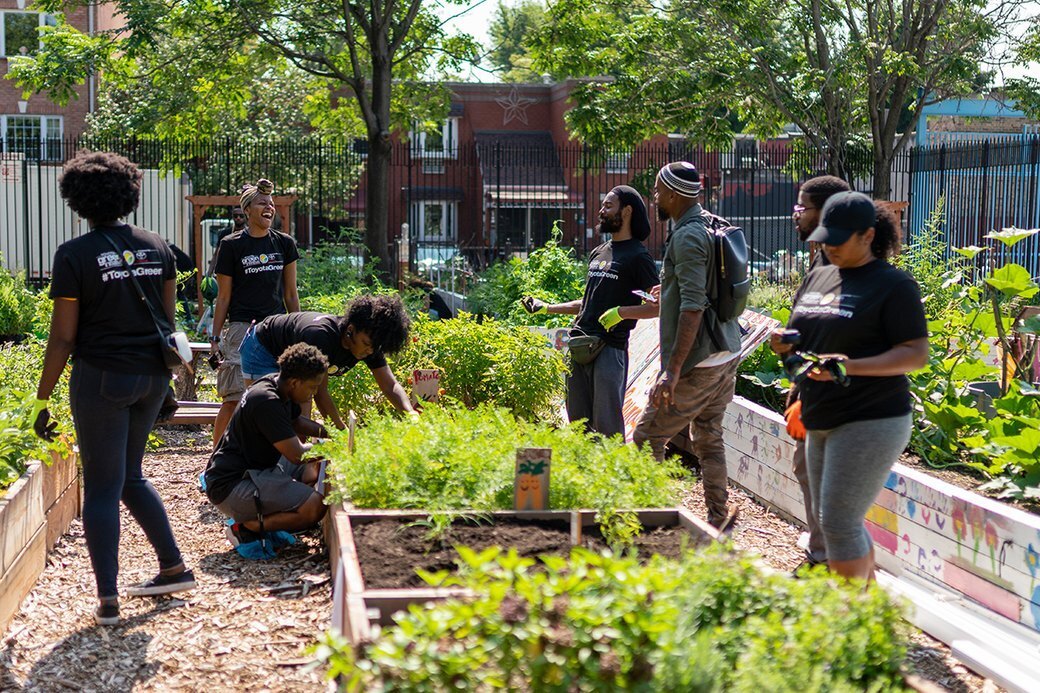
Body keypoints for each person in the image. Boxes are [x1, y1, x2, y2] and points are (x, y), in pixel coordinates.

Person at [32, 151, 195, 627]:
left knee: (102, 486)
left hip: (101, 378)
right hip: (151, 377)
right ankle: (173, 567)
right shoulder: (157, 247)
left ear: (76, 199)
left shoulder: (75, 255)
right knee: (130, 476)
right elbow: (167, 321)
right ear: (130, 193)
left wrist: (42, 400)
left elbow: (63, 336)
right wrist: (165, 385)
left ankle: (107, 599)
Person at [770, 192, 928, 582]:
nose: (828, 246)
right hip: (821, 411)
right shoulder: (819, 276)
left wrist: (850, 367)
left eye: (838, 239)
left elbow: (915, 354)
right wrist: (785, 345)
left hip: (870, 416)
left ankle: (849, 621)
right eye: (825, 238)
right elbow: (804, 335)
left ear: (868, 236)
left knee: (839, 522)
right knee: (836, 522)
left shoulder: (893, 285)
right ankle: (866, 616)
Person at [632, 162, 740, 532]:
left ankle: (655, 522)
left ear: (674, 195)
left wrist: (672, 370)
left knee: (648, 437)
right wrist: (671, 289)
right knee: (708, 437)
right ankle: (717, 520)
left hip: (701, 358)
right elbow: (702, 286)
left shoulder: (687, 236)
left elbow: (694, 306)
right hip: (726, 351)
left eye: (659, 191)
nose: (655, 198)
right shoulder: (709, 223)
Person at [520, 185, 659, 437]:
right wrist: (546, 308)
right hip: (579, 345)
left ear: (626, 211)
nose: (601, 211)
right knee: (578, 426)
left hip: (609, 349)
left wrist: (622, 312)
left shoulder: (639, 257)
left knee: (607, 430)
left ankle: (611, 474)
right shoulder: (599, 253)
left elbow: (656, 306)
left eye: (608, 206)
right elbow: (588, 302)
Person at [204, 343, 331, 544]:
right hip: (231, 485)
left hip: (252, 467)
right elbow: (297, 455)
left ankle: (278, 512)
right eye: (313, 387)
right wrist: (333, 448)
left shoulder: (277, 384)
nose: (314, 393)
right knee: (314, 506)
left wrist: (331, 433)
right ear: (296, 383)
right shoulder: (266, 401)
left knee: (311, 471)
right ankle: (244, 528)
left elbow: (296, 421)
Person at [787, 175, 851, 572]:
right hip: (813, 387)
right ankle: (821, 548)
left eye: (802, 207)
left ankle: (827, 555)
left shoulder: (842, 265)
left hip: (835, 392)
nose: (796, 215)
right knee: (805, 467)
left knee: (819, 473)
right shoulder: (824, 260)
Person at [210, 180, 300, 448]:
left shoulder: (284, 244)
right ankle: (215, 461)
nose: (268, 207)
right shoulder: (231, 245)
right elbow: (223, 296)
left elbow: (291, 294)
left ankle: (273, 458)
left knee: (278, 396)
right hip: (241, 329)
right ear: (247, 210)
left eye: (271, 204)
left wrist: (296, 330)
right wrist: (215, 337)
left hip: (276, 328)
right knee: (235, 398)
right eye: (262, 203)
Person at [237, 294, 414, 429]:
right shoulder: (321, 336)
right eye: (366, 344)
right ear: (350, 330)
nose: (370, 351)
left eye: (374, 347)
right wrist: (341, 433)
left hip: (289, 354)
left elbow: (390, 386)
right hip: (262, 347)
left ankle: (294, 466)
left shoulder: (370, 344)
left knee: (299, 405)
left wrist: (410, 413)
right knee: (268, 413)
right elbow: (319, 394)